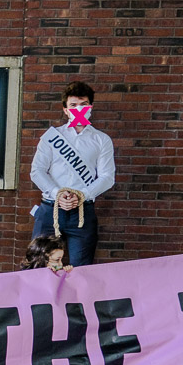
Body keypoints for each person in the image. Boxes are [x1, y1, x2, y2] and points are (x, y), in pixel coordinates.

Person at [30, 81, 115, 267]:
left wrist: (81, 195)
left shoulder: (101, 140)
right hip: (50, 210)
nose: (79, 109)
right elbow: (37, 171)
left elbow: (107, 177)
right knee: (40, 267)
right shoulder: (51, 137)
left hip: (83, 212)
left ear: (90, 107)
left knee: (81, 270)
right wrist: (57, 194)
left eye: (83, 104)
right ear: (66, 110)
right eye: (73, 105)